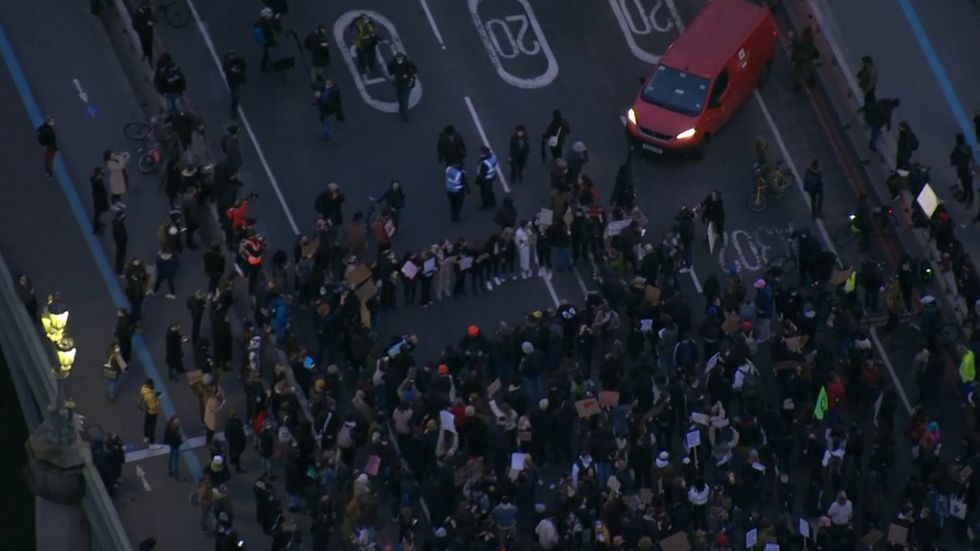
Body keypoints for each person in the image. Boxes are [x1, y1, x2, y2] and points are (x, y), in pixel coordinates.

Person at [387, 52, 417, 121]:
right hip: (399, 83)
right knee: (399, 96)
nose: (399, 60)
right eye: (398, 58)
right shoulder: (393, 62)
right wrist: (392, 74)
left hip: (406, 83)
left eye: (400, 58)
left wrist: (408, 73)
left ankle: (404, 113)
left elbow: (414, 68)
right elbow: (389, 67)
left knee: (405, 99)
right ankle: (402, 108)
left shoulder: (407, 62)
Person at [949, 132, 976, 210]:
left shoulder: (963, 148)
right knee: (966, 185)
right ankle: (965, 197)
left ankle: (969, 200)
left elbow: (970, 158)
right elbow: (953, 155)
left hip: (966, 171)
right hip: (964, 170)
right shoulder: (961, 148)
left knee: (968, 186)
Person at [315, 78, 344, 145]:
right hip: (326, 110)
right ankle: (326, 137)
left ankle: (333, 140)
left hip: (327, 111)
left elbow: (320, 97)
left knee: (326, 126)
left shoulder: (331, 94)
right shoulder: (329, 90)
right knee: (325, 124)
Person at [254, 7, 281, 73]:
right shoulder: (262, 25)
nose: (271, 16)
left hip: (271, 37)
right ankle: (264, 66)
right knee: (266, 52)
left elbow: (275, 25)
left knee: (269, 51)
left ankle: (265, 65)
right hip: (267, 39)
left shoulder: (267, 21)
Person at [222, 50, 247, 118]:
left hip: (236, 81)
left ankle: (234, 109)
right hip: (232, 81)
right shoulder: (228, 65)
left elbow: (243, 68)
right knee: (235, 95)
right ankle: (233, 109)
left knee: (235, 95)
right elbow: (226, 70)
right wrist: (233, 71)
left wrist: (237, 71)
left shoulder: (239, 62)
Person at [140, 379, 163, 447]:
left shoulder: (143, 388)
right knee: (152, 427)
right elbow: (153, 407)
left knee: (147, 424)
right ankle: (152, 443)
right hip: (152, 412)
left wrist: (155, 395)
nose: (154, 386)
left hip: (147, 408)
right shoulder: (150, 396)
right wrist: (159, 399)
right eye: (153, 384)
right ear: (149, 385)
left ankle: (146, 436)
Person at [475, 146, 499, 210]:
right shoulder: (493, 157)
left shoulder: (484, 164)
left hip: (485, 180)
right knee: (490, 190)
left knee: (484, 193)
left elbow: (482, 175)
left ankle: (485, 205)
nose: (480, 154)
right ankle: (493, 202)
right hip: (491, 177)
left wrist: (477, 181)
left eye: (482, 153)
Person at [132, 1, 155, 65]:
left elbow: (150, 20)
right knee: (144, 44)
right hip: (143, 31)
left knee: (148, 45)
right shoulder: (139, 11)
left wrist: (151, 23)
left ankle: (149, 58)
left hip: (147, 31)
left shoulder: (146, 10)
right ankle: (146, 54)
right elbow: (138, 21)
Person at [90, 167, 110, 234]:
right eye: (101, 173)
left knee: (98, 213)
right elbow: (99, 192)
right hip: (99, 200)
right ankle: (95, 229)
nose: (102, 174)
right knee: (97, 213)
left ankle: (97, 223)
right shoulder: (97, 181)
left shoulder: (96, 179)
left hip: (98, 199)